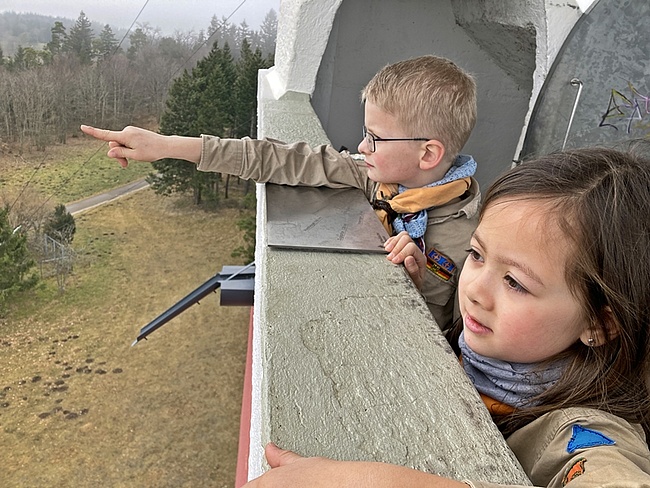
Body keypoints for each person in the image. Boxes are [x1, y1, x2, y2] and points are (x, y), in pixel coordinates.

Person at [238, 145, 650, 487]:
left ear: (599, 324)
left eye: (515, 283)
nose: (474, 289)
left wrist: (364, 481)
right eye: (476, 254)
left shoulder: (590, 435)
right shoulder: (489, 349)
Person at [81, 54, 480, 332]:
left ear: (428, 153)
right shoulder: (375, 179)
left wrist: (417, 290)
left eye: (374, 138)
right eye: (364, 134)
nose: (362, 148)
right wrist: (168, 146)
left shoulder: (472, 244)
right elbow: (274, 158)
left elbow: (462, 345)